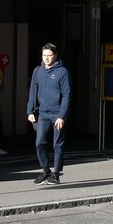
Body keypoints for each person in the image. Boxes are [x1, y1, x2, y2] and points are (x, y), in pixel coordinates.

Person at [27, 43, 71, 185]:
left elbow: (67, 95)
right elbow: (33, 92)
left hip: (57, 114)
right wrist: (30, 111)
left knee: (57, 145)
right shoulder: (37, 71)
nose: (46, 58)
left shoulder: (62, 72)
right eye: (44, 55)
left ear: (55, 56)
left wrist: (62, 116)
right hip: (43, 113)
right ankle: (46, 171)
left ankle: (56, 174)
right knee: (39, 142)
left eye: (49, 55)